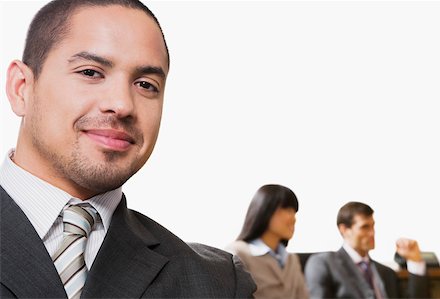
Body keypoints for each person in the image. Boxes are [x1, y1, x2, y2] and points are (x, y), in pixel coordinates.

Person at [0, 1, 256, 298]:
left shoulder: (217, 283)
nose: (122, 105)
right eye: (91, 73)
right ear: (21, 88)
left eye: (146, 84)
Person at [304, 201, 429, 299]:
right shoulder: (324, 263)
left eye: (373, 226)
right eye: (365, 227)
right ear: (344, 230)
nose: (372, 233)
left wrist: (415, 261)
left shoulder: (386, 273)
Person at [226, 184, 309, 299]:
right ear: (265, 210)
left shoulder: (291, 259)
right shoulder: (237, 253)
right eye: (288, 210)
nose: (293, 218)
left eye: (295, 212)